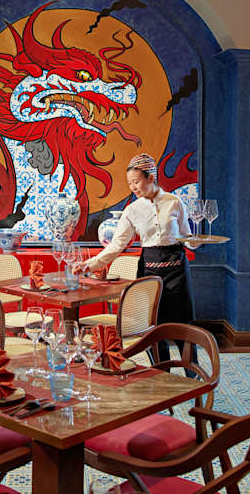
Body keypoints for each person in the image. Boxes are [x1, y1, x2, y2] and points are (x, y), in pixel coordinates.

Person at [80, 152, 196, 369]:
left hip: (177, 269)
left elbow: (186, 236)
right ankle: (161, 372)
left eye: (136, 181)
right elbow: (116, 245)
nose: (132, 187)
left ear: (150, 178)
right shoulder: (132, 210)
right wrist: (89, 265)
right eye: (130, 183)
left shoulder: (174, 202)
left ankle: (193, 373)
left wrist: (197, 242)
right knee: (153, 326)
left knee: (183, 324)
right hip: (149, 270)